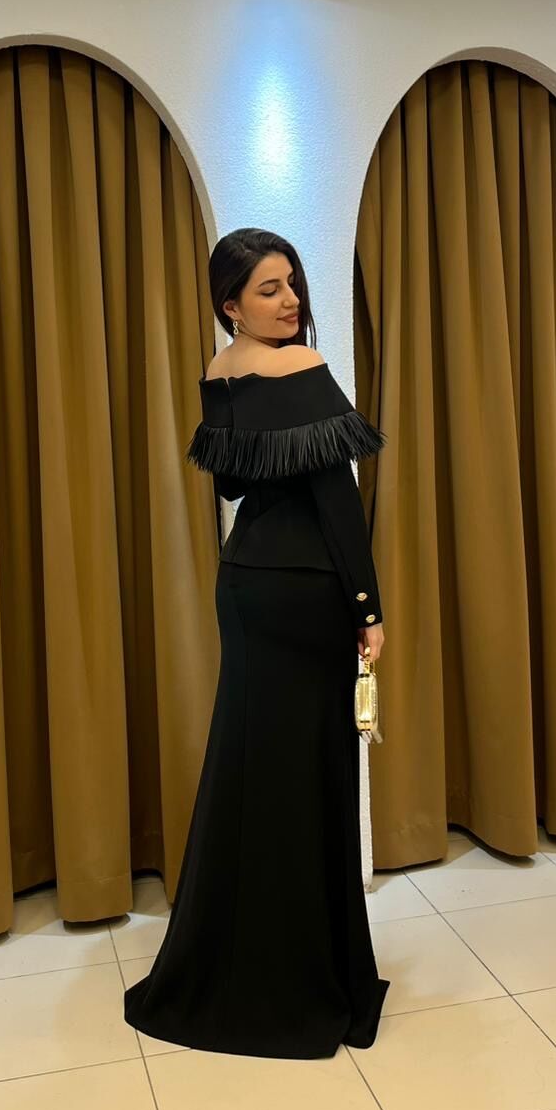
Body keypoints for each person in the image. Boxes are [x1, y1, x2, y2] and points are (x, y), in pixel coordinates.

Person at [123, 227, 389, 1059]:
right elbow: (337, 500)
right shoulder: (302, 367)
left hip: (244, 588)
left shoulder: (219, 372)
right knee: (310, 781)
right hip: (308, 594)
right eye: (269, 289)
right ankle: (307, 978)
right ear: (229, 304)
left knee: (249, 773)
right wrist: (368, 607)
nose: (291, 300)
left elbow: (236, 483)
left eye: (292, 284)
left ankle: (230, 967)